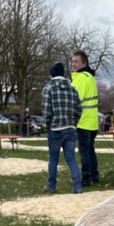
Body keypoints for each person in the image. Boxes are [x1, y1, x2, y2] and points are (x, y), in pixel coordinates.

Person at [40, 62, 83, 194]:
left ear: (51, 74)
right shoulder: (72, 89)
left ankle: (51, 186)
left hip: (55, 129)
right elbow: (79, 110)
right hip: (70, 128)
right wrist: (73, 122)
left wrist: (46, 126)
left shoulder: (48, 89)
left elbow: (47, 111)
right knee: (71, 158)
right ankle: (77, 186)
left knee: (53, 158)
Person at [71, 50, 100, 186]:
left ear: (84, 63)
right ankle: (94, 176)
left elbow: (75, 99)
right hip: (92, 121)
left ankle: (86, 178)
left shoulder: (81, 78)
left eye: (76, 61)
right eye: (73, 61)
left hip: (83, 121)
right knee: (90, 151)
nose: (73, 64)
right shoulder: (90, 77)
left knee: (84, 153)